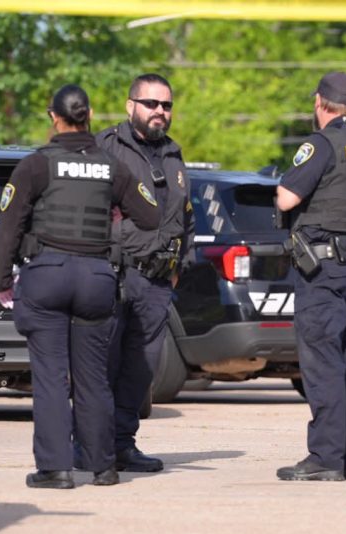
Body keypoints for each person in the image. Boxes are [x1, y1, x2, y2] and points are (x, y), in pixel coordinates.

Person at [0, 84, 159, 489]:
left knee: (51, 376)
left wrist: (0, 280)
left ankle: (55, 469)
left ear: (54, 117)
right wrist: (114, 213)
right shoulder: (110, 166)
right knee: (93, 377)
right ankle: (102, 466)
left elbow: (9, 226)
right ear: (91, 115)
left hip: (47, 276)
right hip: (96, 280)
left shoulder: (36, 165)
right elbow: (151, 216)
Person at [274, 71, 346, 481]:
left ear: (320, 103)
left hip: (324, 272)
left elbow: (287, 198)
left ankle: (325, 457)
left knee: (323, 364)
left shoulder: (320, 144)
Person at [95, 74, 193, 474]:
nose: (160, 112)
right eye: (151, 103)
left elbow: (186, 216)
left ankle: (122, 444)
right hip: (115, 275)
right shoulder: (105, 147)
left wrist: (179, 267)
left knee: (140, 369)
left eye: (166, 105)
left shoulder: (173, 154)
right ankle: (90, 444)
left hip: (156, 282)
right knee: (103, 365)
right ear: (130, 105)